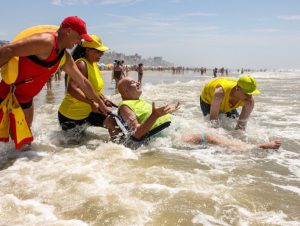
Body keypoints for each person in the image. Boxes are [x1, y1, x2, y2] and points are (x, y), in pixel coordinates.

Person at [0, 16, 111, 148]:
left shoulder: (64, 57)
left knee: (24, 144)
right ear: (68, 31)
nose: (80, 41)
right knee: (16, 143)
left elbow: (83, 82)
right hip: (8, 96)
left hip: (27, 100)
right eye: (79, 36)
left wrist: (100, 103)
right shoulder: (45, 42)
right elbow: (8, 50)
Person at [117, 77, 281, 150]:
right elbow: (136, 134)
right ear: (124, 90)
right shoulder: (124, 106)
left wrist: (169, 113)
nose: (138, 82)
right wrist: (155, 116)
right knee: (209, 137)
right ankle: (254, 148)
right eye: (132, 82)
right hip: (166, 136)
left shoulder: (141, 102)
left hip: (174, 128)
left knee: (218, 132)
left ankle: (239, 145)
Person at [58, 34, 120, 140]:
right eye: (98, 51)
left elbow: (93, 88)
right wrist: (91, 103)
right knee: (74, 149)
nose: (101, 54)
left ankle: (121, 151)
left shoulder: (94, 64)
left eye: (102, 52)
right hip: (71, 115)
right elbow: (72, 89)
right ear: (87, 50)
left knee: (112, 123)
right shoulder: (81, 64)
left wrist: (103, 98)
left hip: (88, 113)